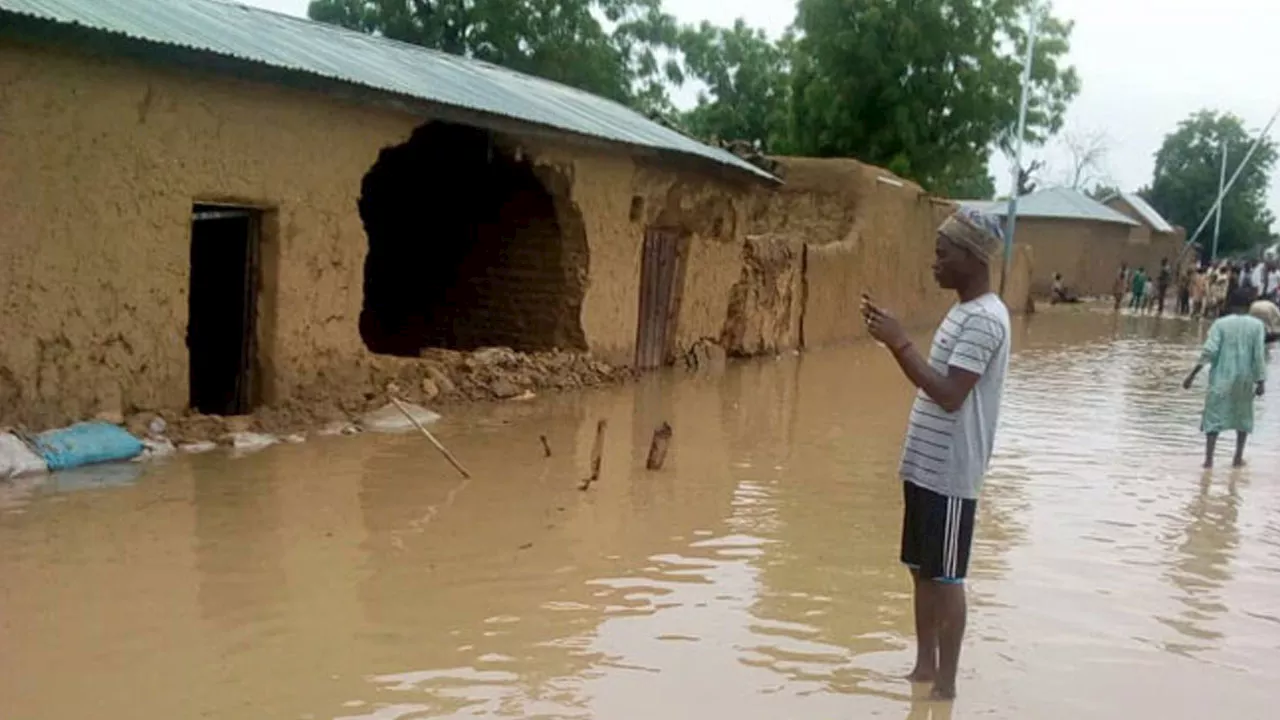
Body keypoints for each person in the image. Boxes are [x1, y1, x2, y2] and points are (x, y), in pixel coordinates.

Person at [861, 208, 1010, 701]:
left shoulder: (985, 320)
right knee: (921, 570)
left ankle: (945, 687)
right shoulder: (964, 310)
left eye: (943, 254)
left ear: (971, 257)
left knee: (947, 576)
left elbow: (949, 394)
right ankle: (924, 668)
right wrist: (895, 340)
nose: (935, 263)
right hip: (925, 468)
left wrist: (899, 343)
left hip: (951, 474)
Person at [1183, 288, 1267, 468]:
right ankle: (1237, 458)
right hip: (1244, 380)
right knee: (1243, 417)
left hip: (1221, 379)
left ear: (1231, 304)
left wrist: (1192, 375)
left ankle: (1209, 460)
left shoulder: (1220, 324)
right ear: (1249, 305)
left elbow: (1209, 351)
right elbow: (1258, 356)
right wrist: (1261, 381)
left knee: (1213, 418)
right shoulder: (1257, 326)